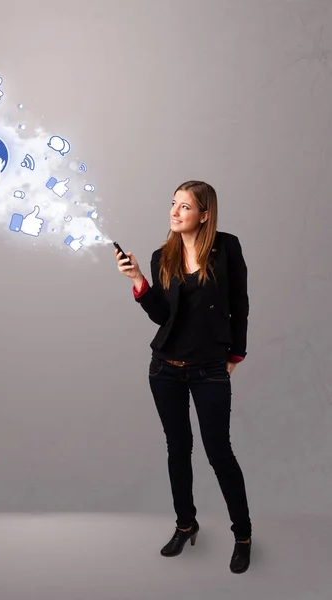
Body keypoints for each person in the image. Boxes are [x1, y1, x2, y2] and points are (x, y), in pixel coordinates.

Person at [115, 180, 252, 575]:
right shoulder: (162, 255)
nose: (175, 212)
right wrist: (139, 280)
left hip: (210, 368)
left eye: (185, 207)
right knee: (178, 449)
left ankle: (242, 536)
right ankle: (185, 524)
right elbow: (162, 315)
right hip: (166, 370)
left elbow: (240, 302)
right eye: (173, 204)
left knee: (219, 453)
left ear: (204, 214)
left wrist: (236, 353)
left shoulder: (227, 247)